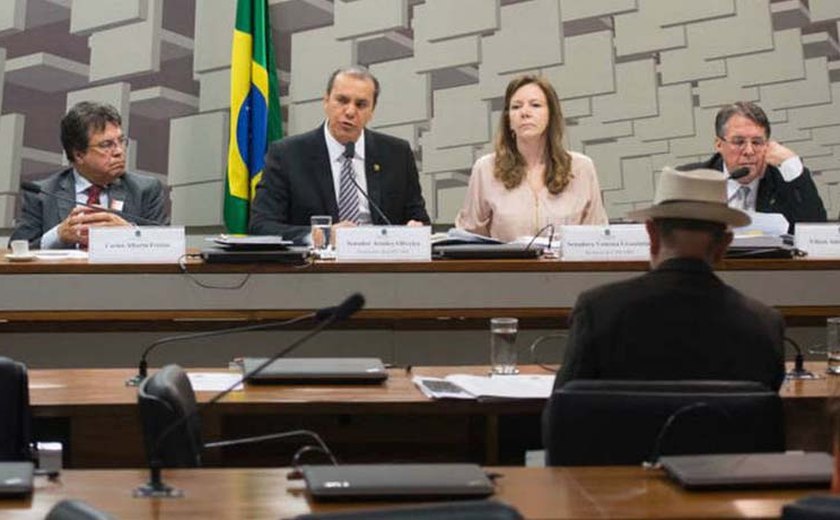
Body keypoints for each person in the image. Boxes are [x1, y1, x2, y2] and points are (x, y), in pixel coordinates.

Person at [551, 167, 785, 392]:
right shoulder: (764, 325)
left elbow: (562, 417)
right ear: (724, 246)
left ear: (651, 234)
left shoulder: (598, 310)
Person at [249, 66, 430, 242]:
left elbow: (419, 220)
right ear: (326, 101)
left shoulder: (397, 154)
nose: (350, 111)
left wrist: (416, 229)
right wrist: (322, 236)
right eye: (342, 101)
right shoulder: (287, 155)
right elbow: (261, 226)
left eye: (361, 104)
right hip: (315, 269)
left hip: (382, 265)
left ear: (372, 111)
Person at [455, 75, 607, 242]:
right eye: (516, 107)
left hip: (566, 268)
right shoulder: (485, 169)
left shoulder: (581, 168)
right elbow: (468, 239)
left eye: (535, 105)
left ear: (551, 115)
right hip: (508, 267)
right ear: (509, 120)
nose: (525, 113)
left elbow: (597, 239)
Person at [10, 101, 168, 249]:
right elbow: (16, 250)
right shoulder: (41, 193)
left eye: (121, 141)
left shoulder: (146, 189)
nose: (119, 151)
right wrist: (58, 236)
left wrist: (129, 233)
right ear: (79, 154)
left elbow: (168, 246)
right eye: (107, 145)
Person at [680, 101, 826, 233]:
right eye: (738, 142)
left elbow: (817, 232)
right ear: (719, 144)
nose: (749, 151)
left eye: (757, 142)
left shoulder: (784, 180)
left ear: (767, 145)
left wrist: (793, 167)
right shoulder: (692, 180)